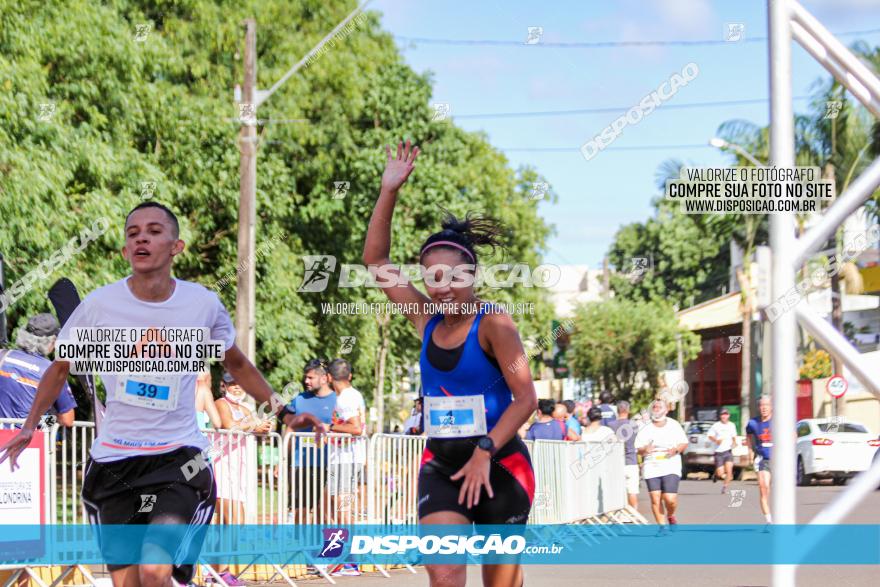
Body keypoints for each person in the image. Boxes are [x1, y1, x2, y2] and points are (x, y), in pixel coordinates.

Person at [0, 202, 323, 587]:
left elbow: (237, 364)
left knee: (155, 570)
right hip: (113, 465)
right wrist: (29, 425)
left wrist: (284, 413)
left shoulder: (201, 305)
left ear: (176, 246)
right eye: (133, 232)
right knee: (130, 583)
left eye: (154, 231)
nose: (142, 237)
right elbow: (59, 369)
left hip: (178, 461)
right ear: (124, 250)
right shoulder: (100, 306)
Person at [364, 140, 537, 587]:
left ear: (472, 276)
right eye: (430, 277)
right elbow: (376, 260)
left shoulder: (495, 323)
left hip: (501, 465)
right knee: (443, 575)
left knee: (499, 582)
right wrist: (389, 191)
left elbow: (525, 399)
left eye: (451, 277)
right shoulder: (425, 319)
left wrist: (485, 451)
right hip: (441, 464)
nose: (440, 287)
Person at [0, 314, 76, 426]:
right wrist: (46, 421)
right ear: (53, 341)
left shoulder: (2, 356)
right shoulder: (53, 370)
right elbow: (67, 420)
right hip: (29, 441)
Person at [283, 359, 335, 523]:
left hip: (330, 463)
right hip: (302, 463)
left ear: (324, 378)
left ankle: (324, 546)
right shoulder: (298, 400)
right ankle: (302, 546)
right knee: (301, 510)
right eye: (305, 377)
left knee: (325, 510)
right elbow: (290, 427)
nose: (306, 381)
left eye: (311, 378)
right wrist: (283, 460)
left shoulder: (337, 400)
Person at [634, 399, 688, 534]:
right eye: (655, 407)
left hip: (671, 463)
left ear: (666, 410)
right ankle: (662, 527)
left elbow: (683, 443)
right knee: (655, 498)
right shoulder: (645, 427)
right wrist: (645, 449)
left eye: (659, 407)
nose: (657, 408)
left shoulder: (674, 425)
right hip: (651, 464)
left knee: (670, 499)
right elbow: (638, 448)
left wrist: (675, 450)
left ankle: (670, 515)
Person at [326, 359, 366, 528]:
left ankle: (349, 552)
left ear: (328, 377)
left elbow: (356, 427)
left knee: (342, 510)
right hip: (348, 457)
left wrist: (329, 427)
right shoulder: (353, 394)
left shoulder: (345, 398)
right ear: (349, 375)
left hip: (345, 459)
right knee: (328, 505)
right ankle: (335, 549)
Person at [606, 400, 641, 510]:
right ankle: (634, 515)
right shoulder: (634, 425)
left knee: (616, 491)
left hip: (615, 463)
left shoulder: (610, 426)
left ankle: (618, 516)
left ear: (617, 410)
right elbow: (638, 443)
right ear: (628, 410)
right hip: (631, 462)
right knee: (632, 492)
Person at [747, 395, 773, 524]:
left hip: (779, 460)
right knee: (764, 488)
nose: (764, 408)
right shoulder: (753, 423)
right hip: (763, 459)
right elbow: (749, 436)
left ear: (771, 407)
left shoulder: (779, 422)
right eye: (762, 405)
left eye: (766, 405)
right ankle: (769, 520)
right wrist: (750, 451)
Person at [708, 408, 738, 494]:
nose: (724, 416)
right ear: (720, 416)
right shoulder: (716, 425)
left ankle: (725, 487)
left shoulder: (732, 425)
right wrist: (716, 440)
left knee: (729, 471)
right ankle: (716, 475)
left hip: (728, 451)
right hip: (719, 452)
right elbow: (710, 435)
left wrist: (734, 443)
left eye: (726, 414)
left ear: (728, 415)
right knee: (721, 473)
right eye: (722, 414)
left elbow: (733, 436)